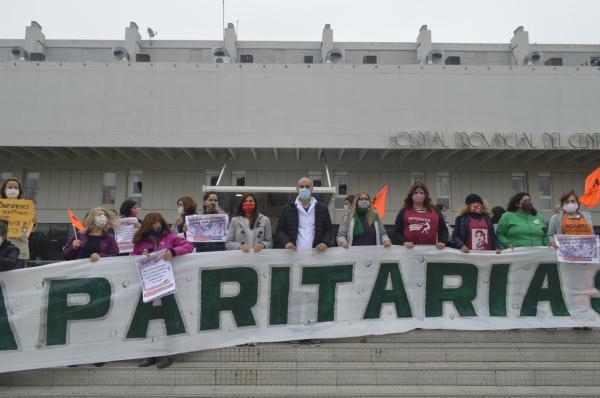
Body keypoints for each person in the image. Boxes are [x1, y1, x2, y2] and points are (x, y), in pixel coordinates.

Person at [131, 212, 194, 369]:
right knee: (150, 320)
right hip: (149, 286)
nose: (157, 227)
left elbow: (189, 246)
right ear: (147, 226)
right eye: (153, 224)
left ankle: (169, 353)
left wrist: (173, 252)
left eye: (158, 223)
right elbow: (132, 256)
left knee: (169, 317)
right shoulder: (140, 241)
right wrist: (140, 256)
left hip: (167, 285)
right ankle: (151, 354)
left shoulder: (170, 237)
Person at [276, 177, 333, 251]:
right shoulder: (287, 208)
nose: (304, 189)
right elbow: (280, 230)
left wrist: (325, 243)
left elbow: (329, 229)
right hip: (294, 255)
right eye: (301, 187)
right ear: (297, 189)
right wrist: (286, 242)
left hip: (317, 254)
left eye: (307, 186)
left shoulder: (322, 208)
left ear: (312, 188)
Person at [393, 183, 448, 249]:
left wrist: (442, 241)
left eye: (421, 192)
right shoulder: (404, 211)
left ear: (425, 195)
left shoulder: (435, 210)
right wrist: (404, 242)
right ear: (411, 195)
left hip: (430, 251)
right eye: (415, 192)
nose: (418, 194)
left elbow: (443, 229)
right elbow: (397, 232)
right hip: (409, 251)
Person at [0, 178, 35, 268]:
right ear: (4, 190)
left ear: (19, 191)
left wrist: (32, 223)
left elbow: (27, 228)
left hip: (19, 250)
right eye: (10, 187)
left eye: (16, 188)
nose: (13, 190)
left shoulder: (26, 207)